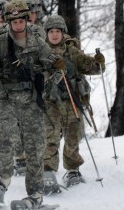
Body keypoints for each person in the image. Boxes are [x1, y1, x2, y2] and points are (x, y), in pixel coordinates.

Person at [0, 0, 64, 210]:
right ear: (8, 22)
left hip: (31, 101)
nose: (17, 25)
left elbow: (49, 60)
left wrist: (55, 67)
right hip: (7, 101)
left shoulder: (37, 41)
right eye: (13, 21)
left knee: (34, 148)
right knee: (6, 140)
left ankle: (35, 194)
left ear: (26, 19)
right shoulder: (0, 43)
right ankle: (2, 179)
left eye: (20, 20)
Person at [41, 13, 105, 192]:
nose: (54, 35)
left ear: (63, 33)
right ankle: (47, 171)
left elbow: (90, 67)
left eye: (58, 31)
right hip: (49, 102)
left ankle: (72, 170)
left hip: (71, 101)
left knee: (73, 134)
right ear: (46, 33)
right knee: (50, 136)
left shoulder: (72, 52)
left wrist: (98, 63)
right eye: (51, 31)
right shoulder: (41, 51)